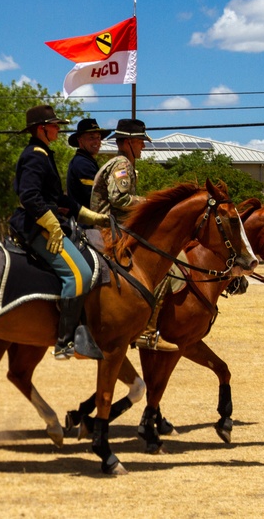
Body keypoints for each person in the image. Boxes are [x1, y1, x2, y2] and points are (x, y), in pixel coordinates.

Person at [9, 104, 109, 361]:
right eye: (54, 125)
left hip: (48, 221)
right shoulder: (34, 154)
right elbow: (29, 195)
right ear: (42, 129)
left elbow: (60, 199)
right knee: (80, 274)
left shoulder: (43, 153)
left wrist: (93, 217)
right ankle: (65, 341)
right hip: (36, 226)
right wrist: (52, 225)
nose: (58, 129)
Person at [90, 118, 179, 352]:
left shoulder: (122, 163)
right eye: (140, 141)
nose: (143, 146)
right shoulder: (122, 165)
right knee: (164, 271)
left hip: (114, 229)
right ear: (128, 142)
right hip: (110, 232)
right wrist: (150, 203)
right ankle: (147, 331)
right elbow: (119, 200)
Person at [66, 117, 110, 210]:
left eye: (98, 137)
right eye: (91, 137)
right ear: (80, 140)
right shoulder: (82, 163)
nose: (96, 142)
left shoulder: (87, 161)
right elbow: (94, 196)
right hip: (85, 222)